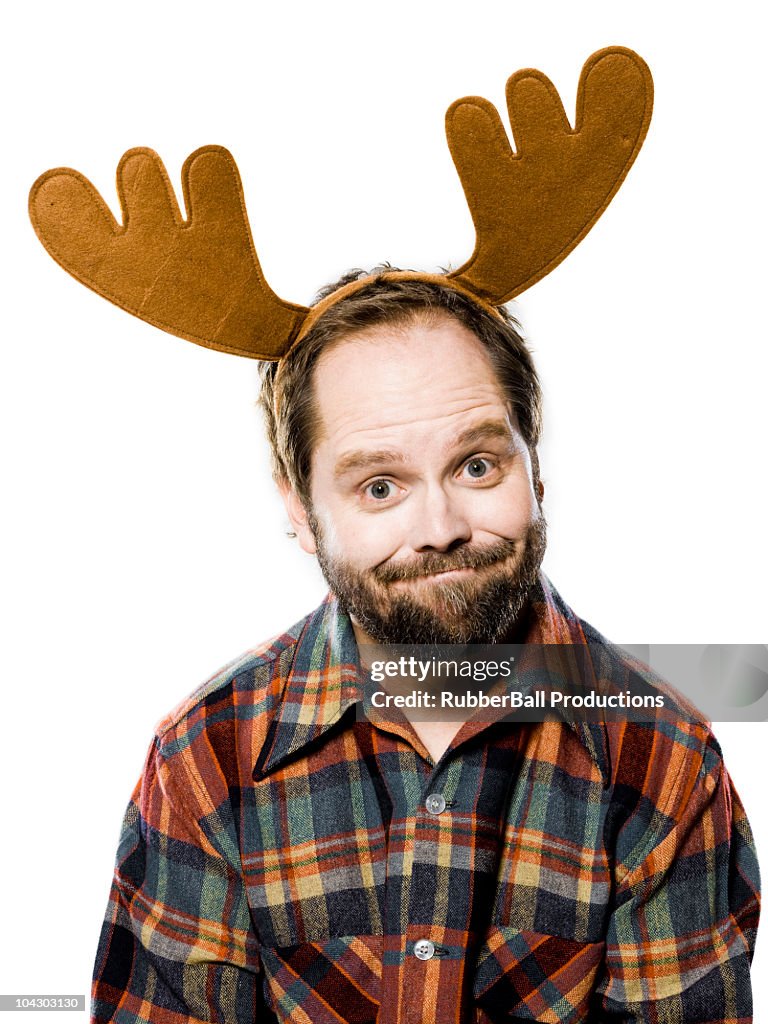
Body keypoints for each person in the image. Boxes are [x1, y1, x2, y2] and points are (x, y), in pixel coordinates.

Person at [27, 46, 759, 1023]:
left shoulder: (661, 761)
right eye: (380, 485)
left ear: (534, 464)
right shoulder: (204, 762)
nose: (443, 527)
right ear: (299, 506)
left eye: (477, 465)